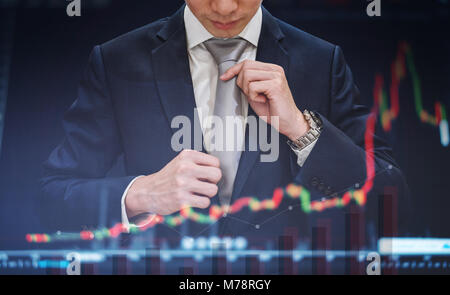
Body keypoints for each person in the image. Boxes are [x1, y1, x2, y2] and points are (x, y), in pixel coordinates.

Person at [40, 0, 409, 247]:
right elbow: (49, 196)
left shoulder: (321, 60)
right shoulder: (116, 60)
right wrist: (140, 195)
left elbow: (390, 194)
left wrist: (300, 128)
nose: (225, 7)